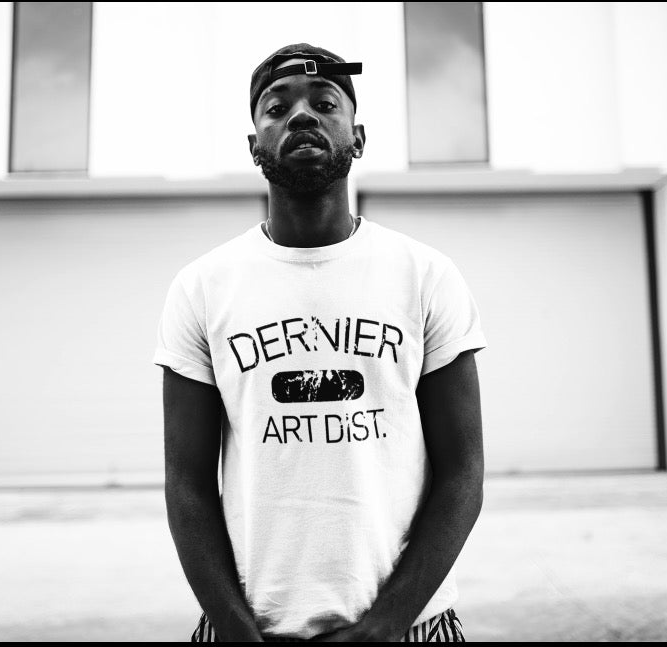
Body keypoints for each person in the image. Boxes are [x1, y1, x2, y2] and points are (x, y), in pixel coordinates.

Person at [153, 43, 487, 642]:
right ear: (254, 144)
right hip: (248, 629)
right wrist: (236, 629)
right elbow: (187, 484)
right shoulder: (202, 287)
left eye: (325, 103)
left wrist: (385, 625)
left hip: (408, 626)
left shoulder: (425, 276)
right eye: (276, 107)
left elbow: (463, 472)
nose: (301, 115)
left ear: (358, 138)